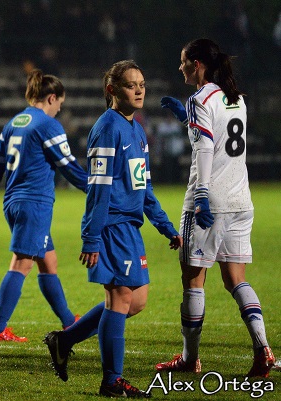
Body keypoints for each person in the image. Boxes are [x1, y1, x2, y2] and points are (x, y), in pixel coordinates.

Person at [43, 60, 182, 398]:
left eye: (142, 84)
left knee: (136, 301)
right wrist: (91, 237)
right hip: (111, 226)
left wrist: (166, 227)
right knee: (119, 298)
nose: (139, 90)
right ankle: (111, 381)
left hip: (129, 227)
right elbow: (99, 188)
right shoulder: (108, 128)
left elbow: (144, 187)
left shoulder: (136, 128)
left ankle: (64, 339)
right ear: (111, 90)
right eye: (131, 84)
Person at [155, 38, 276, 378]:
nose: (180, 68)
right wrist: (187, 119)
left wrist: (203, 196)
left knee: (193, 280)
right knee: (236, 278)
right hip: (241, 199)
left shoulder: (199, 98)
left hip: (208, 202)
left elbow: (207, 149)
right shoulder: (235, 97)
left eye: (183, 62)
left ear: (197, 64)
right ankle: (263, 348)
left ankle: (189, 359)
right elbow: (220, 138)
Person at [0, 69, 87, 342]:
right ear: (51, 97)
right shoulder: (47, 125)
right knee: (22, 263)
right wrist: (97, 189)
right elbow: (68, 167)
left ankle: (68, 321)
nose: (60, 108)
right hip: (33, 203)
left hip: (13, 201)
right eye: (60, 102)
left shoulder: (14, 122)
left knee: (48, 261)